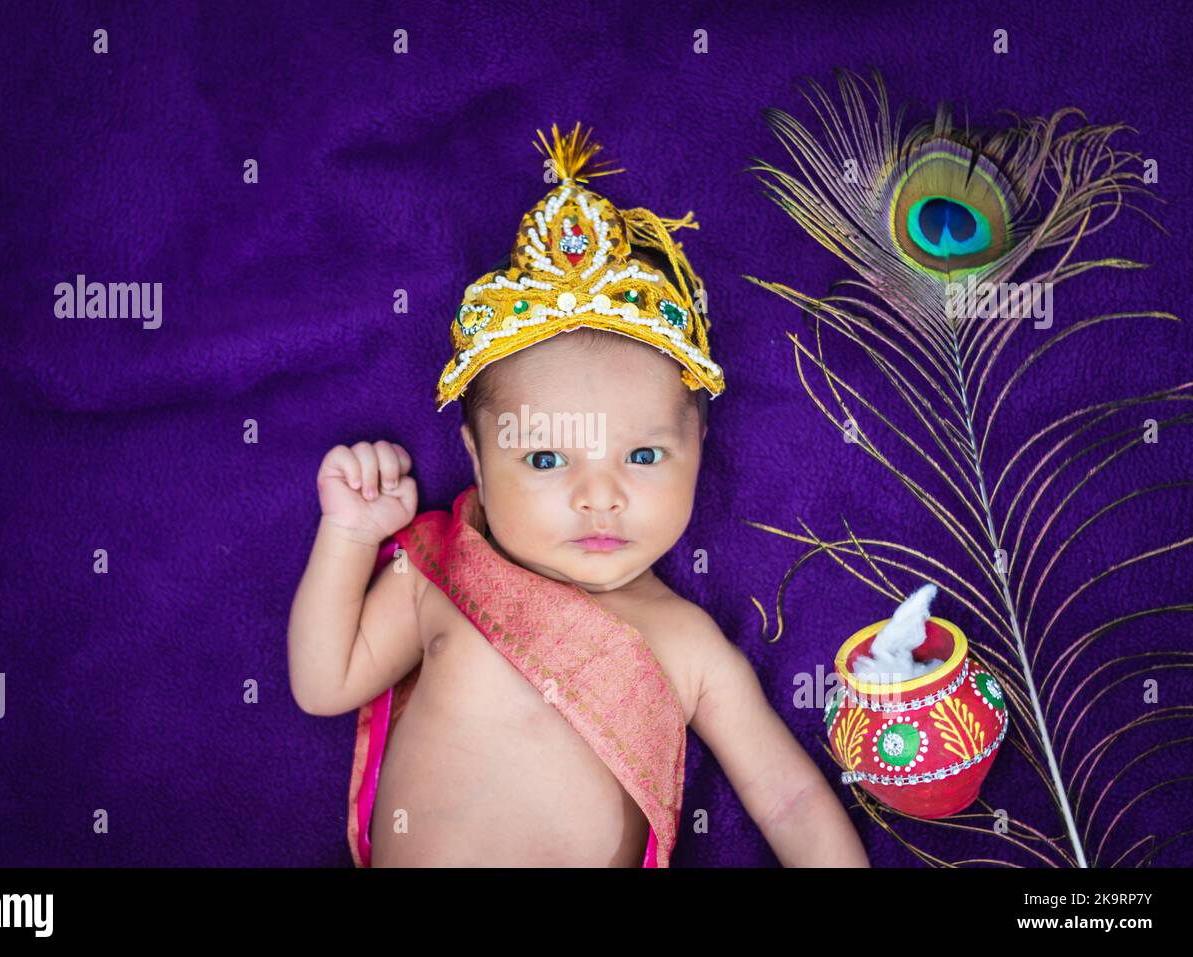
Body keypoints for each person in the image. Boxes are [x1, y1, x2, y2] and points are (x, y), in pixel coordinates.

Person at [287, 123, 869, 867]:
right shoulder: (442, 574)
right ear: (476, 458)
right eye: (547, 456)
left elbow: (788, 798)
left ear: (699, 451)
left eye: (645, 453)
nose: (600, 495)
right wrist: (349, 534)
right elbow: (324, 682)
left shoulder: (691, 646)